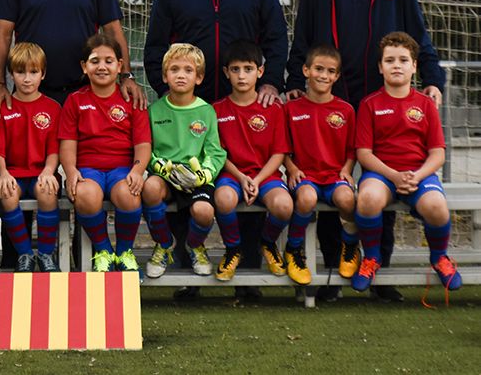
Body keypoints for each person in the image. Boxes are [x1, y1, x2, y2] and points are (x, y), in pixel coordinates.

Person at [286, 0, 445, 302]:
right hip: (331, 99)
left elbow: (419, 38)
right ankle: (331, 274)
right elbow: (302, 40)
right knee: (330, 180)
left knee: (380, 181)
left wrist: (433, 80)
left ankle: (381, 270)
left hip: (382, 101)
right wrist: (293, 81)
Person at [0, 0, 145, 270]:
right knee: (28, 173)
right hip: (31, 94)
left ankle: (81, 260)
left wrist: (125, 74)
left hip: (81, 94)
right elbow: (2, 36)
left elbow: (113, 30)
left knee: (77, 179)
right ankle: (20, 260)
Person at [144, 0, 287, 298]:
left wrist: (271, 82)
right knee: (186, 182)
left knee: (245, 180)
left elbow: (276, 37)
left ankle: (249, 274)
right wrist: (168, 94)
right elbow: (156, 47)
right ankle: (188, 274)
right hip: (190, 109)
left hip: (244, 107)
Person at [352, 32, 461, 293]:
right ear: (380, 67)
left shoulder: (425, 105)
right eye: (390, 60)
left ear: (414, 66)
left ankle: (439, 258)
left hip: (419, 175)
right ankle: (371, 258)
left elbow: (438, 153)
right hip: (382, 175)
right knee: (366, 199)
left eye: (403, 60)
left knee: (437, 206)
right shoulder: (369, 104)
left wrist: (417, 175)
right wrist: (394, 175)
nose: (396, 65)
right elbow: (364, 153)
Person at [58, 34, 151, 273]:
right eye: (95, 61)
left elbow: (142, 143)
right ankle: (104, 251)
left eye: (109, 61)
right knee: (85, 194)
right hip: (89, 170)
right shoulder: (75, 101)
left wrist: (138, 170)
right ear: (84, 67)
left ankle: (124, 253)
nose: (102, 67)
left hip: (123, 169)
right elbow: (68, 143)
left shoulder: (132, 99)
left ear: (120, 65)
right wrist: (70, 172)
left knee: (129, 194)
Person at [141, 43, 226, 279]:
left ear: (198, 78)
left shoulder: (207, 111)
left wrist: (204, 175)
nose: (181, 75)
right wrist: (162, 169)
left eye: (188, 70)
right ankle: (164, 244)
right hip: (167, 176)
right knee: (149, 188)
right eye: (175, 69)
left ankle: (194, 245)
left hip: (196, 179)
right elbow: (147, 150)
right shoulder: (154, 110)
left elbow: (216, 152)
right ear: (165, 76)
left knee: (204, 211)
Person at [212, 40, 292, 282]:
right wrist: (241, 177)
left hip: (266, 175)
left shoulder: (274, 108)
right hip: (232, 175)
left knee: (284, 205)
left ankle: (267, 243)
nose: (242, 76)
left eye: (248, 69)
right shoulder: (216, 110)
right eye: (235, 69)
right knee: (223, 199)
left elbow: (279, 153)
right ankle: (233, 248)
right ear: (226, 73)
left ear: (260, 71)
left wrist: (256, 179)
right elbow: (218, 154)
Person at [283, 44, 358, 286]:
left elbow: (352, 150)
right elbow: (281, 148)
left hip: (334, 176)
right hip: (306, 176)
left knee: (347, 199)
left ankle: (350, 246)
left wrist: (347, 169)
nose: (323, 75)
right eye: (318, 69)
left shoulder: (345, 110)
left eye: (330, 71)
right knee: (306, 199)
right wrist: (292, 169)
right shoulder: (290, 109)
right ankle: (293, 250)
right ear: (306, 70)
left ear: (337, 76)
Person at [0, 43, 62, 273]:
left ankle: (45, 254)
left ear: (43, 74)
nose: (27, 79)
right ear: (11, 73)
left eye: (33, 72)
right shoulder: (3, 108)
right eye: (20, 72)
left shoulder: (53, 108)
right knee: (8, 193)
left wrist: (48, 171)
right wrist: (3, 174)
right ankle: (24, 255)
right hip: (13, 173)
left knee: (47, 190)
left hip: (42, 172)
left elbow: (54, 150)